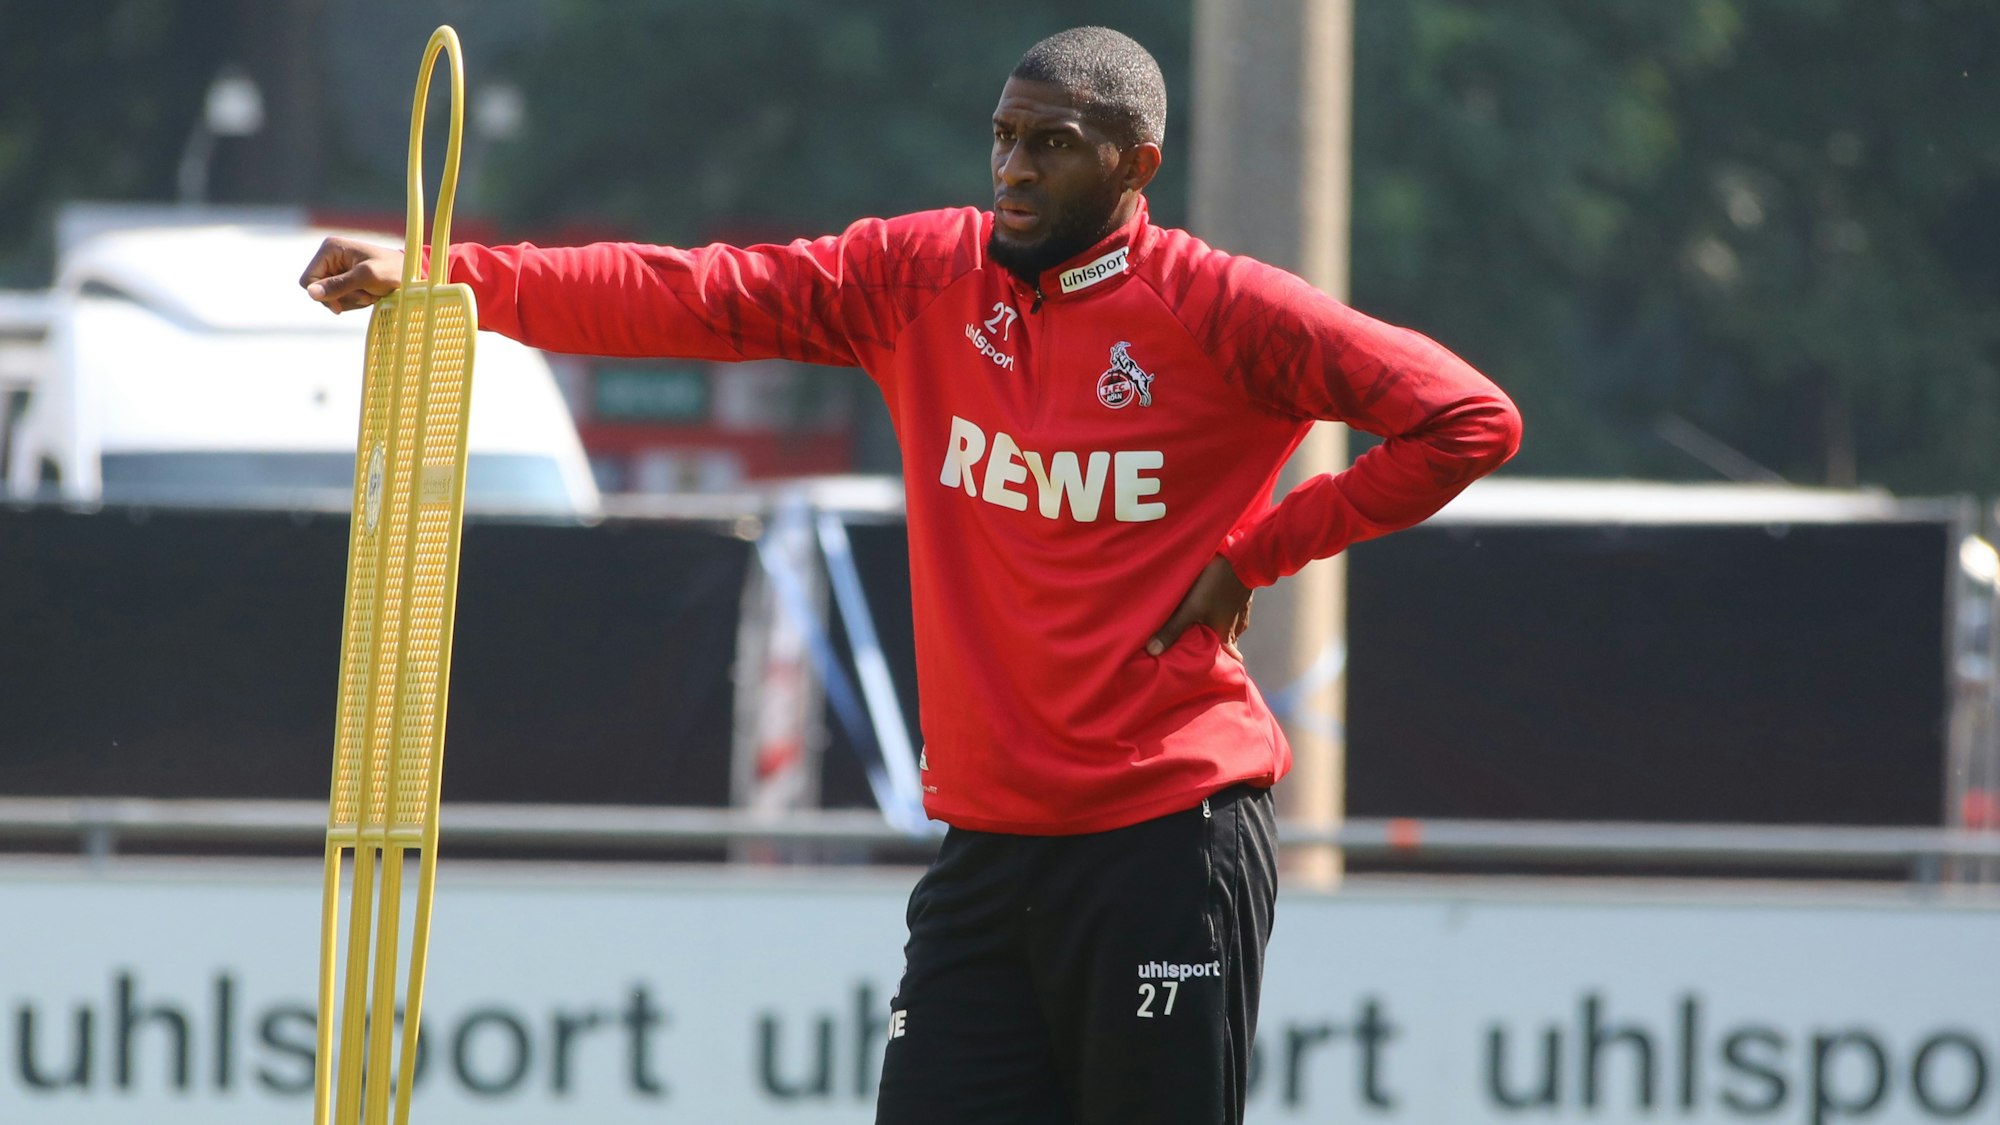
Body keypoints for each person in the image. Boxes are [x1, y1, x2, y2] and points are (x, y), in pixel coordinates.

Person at [302, 25, 1520, 1124]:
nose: (1015, 170)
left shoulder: (1223, 309)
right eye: (1002, 138)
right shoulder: (921, 278)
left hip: (1166, 838)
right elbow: (703, 293)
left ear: (1133, 166)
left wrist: (1259, 550)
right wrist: (453, 272)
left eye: (1054, 144)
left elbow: (1468, 419)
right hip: (987, 851)